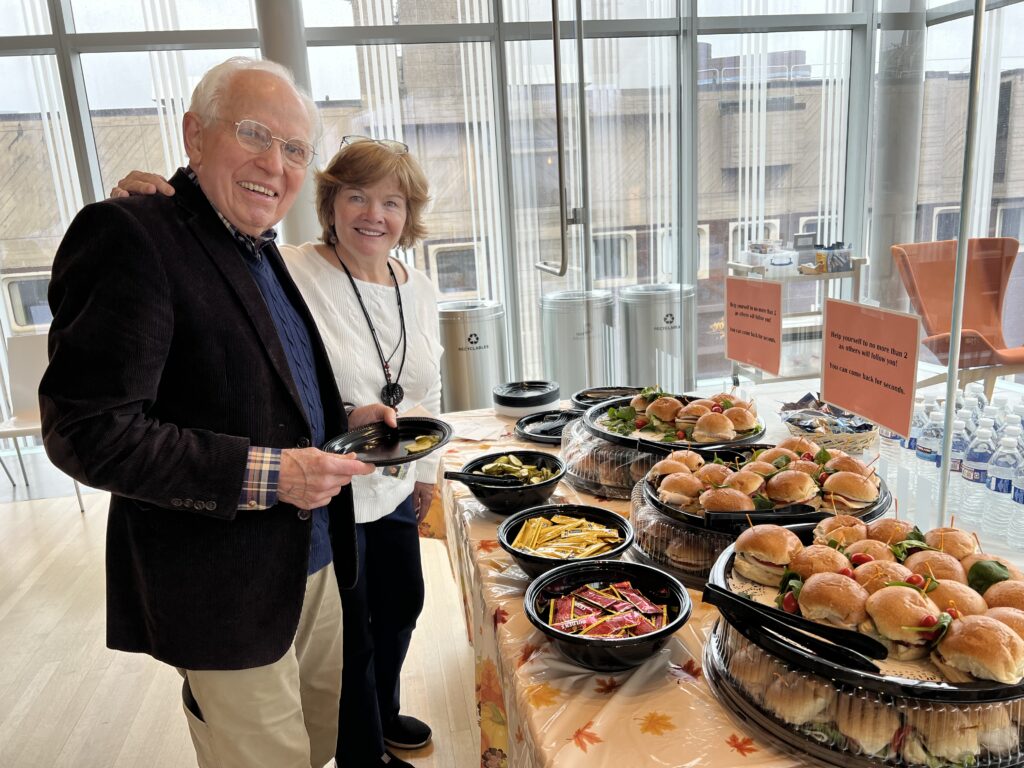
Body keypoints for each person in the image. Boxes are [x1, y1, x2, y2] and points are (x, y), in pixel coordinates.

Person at [40, 56, 394, 768]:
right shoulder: (132, 235)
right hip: (223, 587)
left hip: (317, 555)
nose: (276, 162)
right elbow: (87, 431)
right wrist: (274, 475)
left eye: (296, 149)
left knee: (319, 739)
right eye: (255, 133)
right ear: (194, 135)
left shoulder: (258, 247)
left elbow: (262, 383)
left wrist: (344, 414)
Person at [112, 138, 442, 767]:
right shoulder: (287, 266)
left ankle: (382, 708)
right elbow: (209, 253)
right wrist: (151, 209)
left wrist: (424, 471)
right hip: (322, 493)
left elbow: (426, 390)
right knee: (349, 639)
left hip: (393, 486)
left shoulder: (419, 286)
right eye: (357, 196)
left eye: (392, 202)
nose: (374, 214)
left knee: (399, 610)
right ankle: (363, 748)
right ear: (330, 203)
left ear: (409, 214)